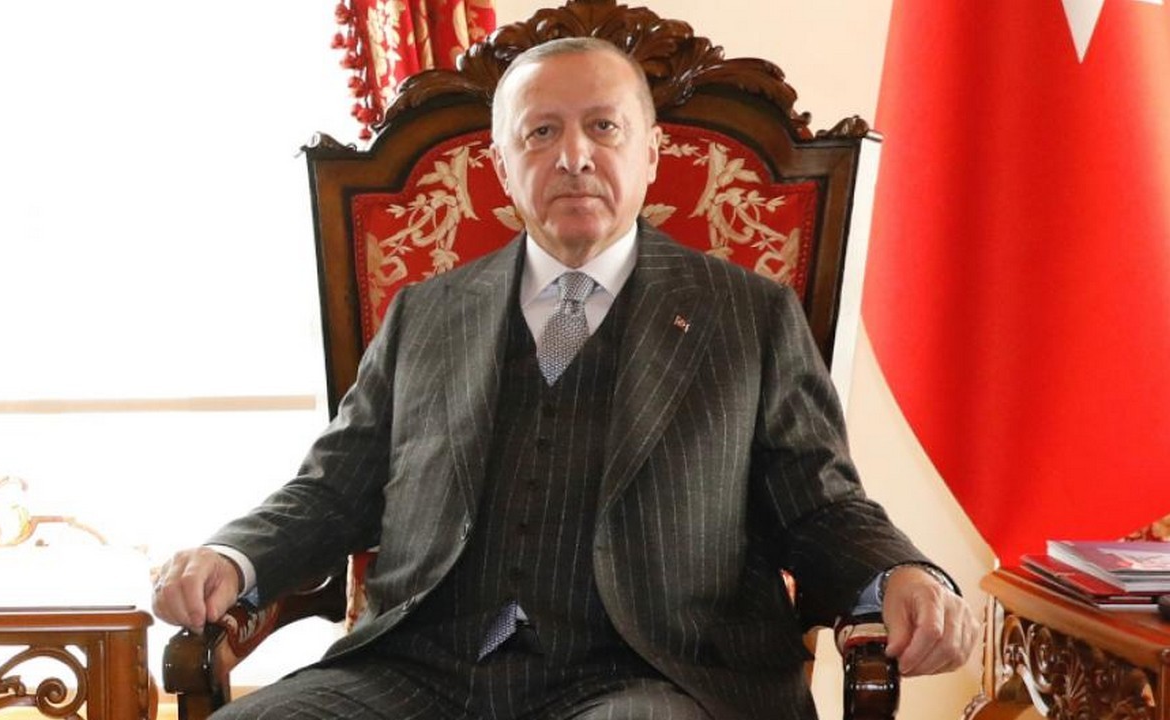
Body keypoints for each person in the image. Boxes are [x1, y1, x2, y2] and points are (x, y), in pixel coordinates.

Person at [153, 37, 979, 720]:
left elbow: (819, 504)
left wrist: (899, 574)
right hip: (419, 667)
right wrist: (234, 555)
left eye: (603, 127)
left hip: (651, 674)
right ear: (502, 163)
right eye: (540, 132)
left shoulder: (750, 314)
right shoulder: (424, 314)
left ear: (651, 153)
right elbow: (333, 489)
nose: (574, 156)